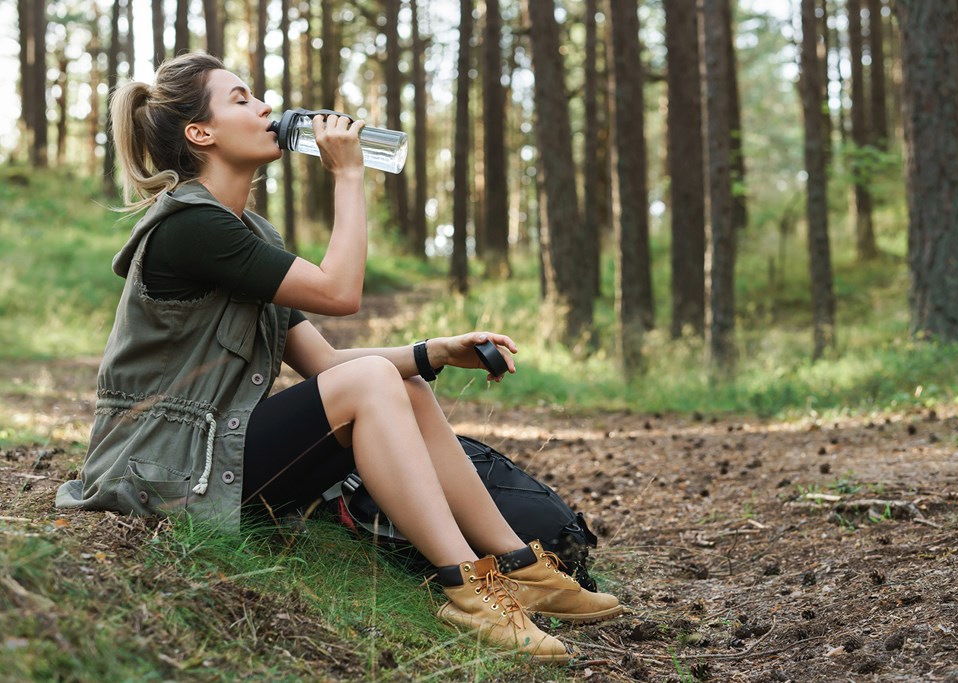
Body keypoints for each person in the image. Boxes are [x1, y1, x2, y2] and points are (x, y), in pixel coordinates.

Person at [54, 52, 621, 662]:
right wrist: (349, 176)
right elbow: (340, 293)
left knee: (401, 385)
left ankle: (518, 567)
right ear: (201, 133)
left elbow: (327, 365)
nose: (266, 107)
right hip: (160, 467)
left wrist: (433, 353)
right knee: (379, 381)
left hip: (212, 455)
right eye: (241, 99)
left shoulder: (249, 235)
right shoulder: (190, 226)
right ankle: (468, 590)